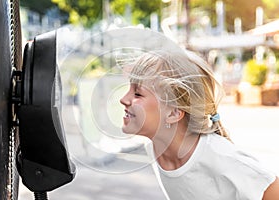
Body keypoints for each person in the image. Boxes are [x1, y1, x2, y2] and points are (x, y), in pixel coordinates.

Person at [119, 49, 279, 200]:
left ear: (173, 113)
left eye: (138, 93)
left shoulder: (222, 158)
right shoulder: (157, 149)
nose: (123, 99)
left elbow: (272, 190)